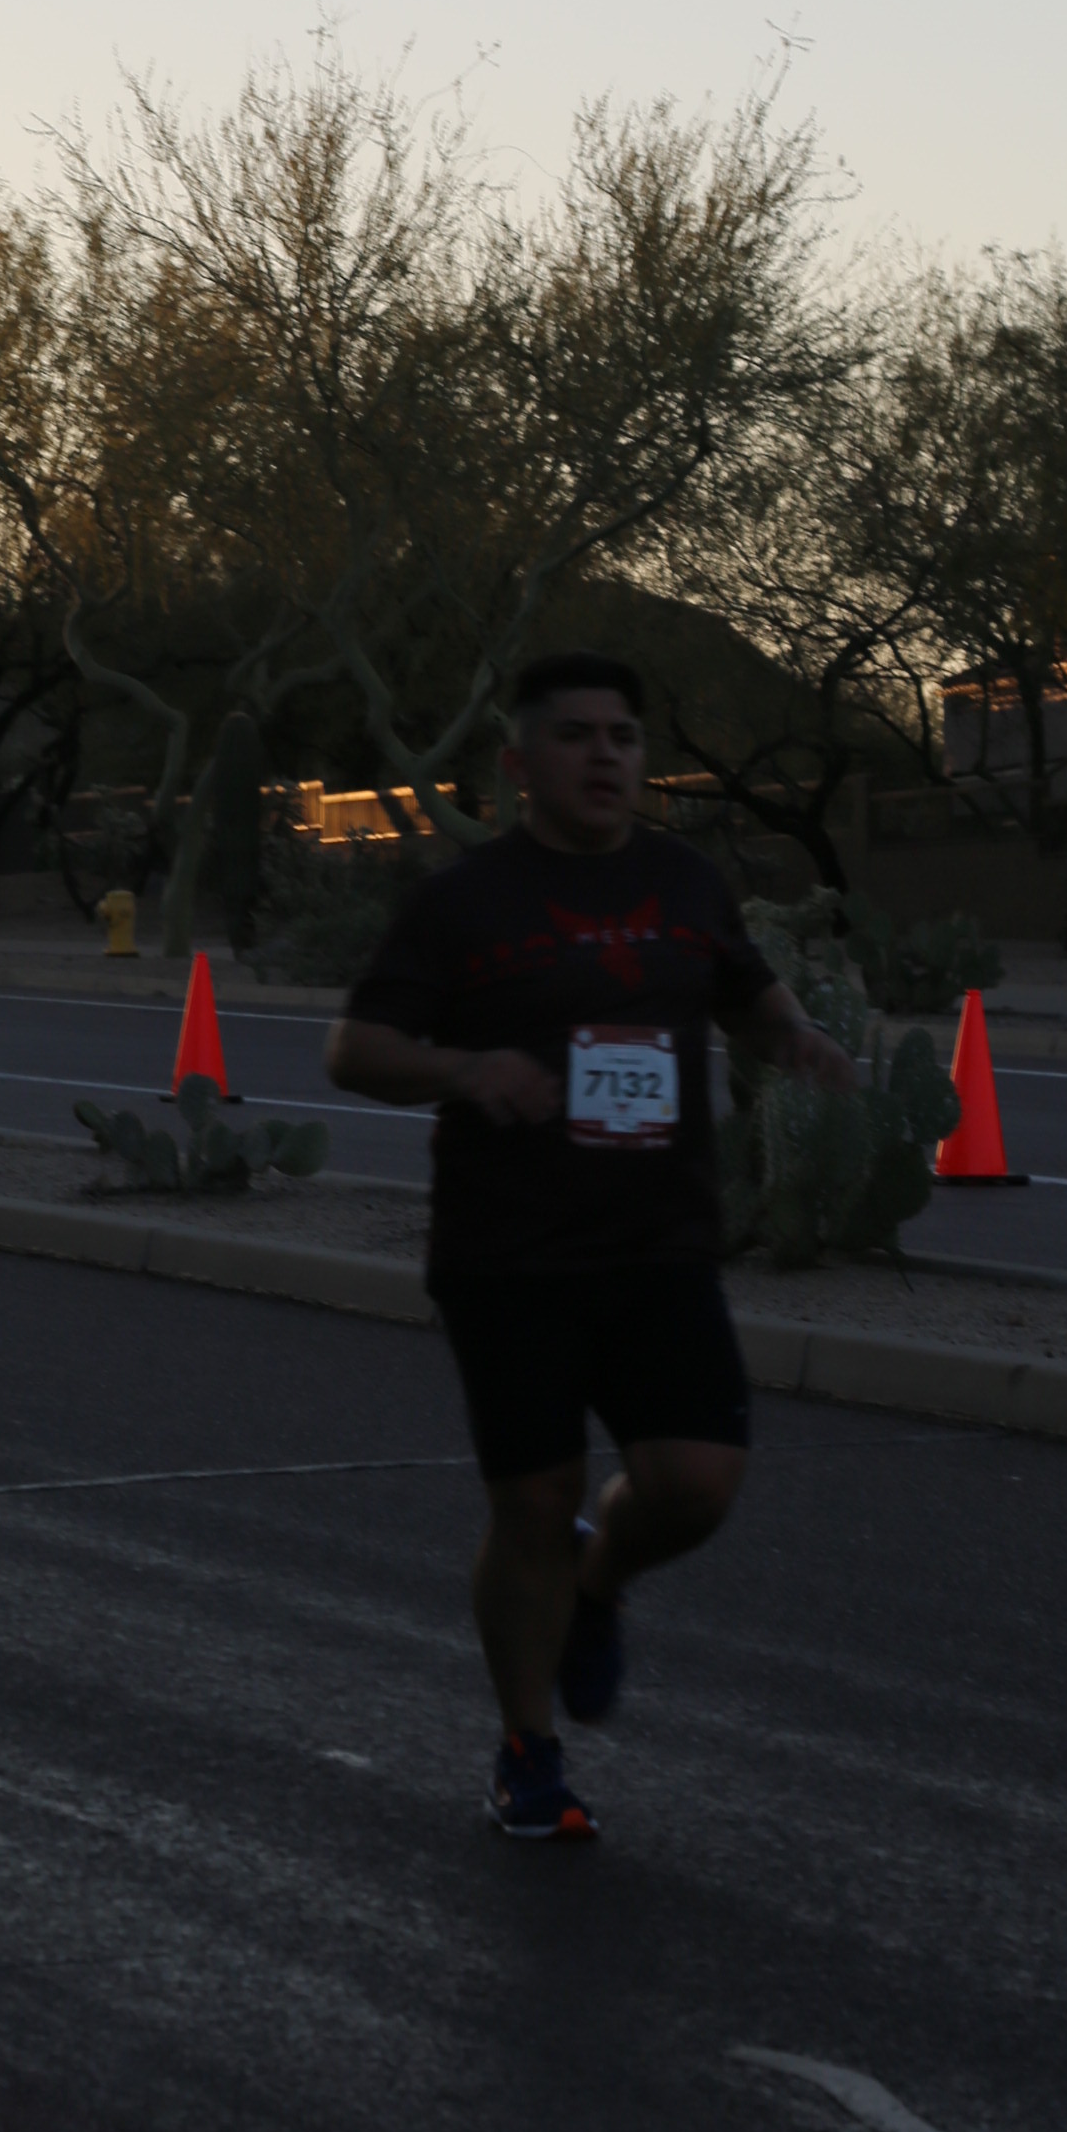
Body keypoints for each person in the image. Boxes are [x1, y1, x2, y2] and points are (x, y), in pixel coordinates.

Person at [328, 652, 857, 1839]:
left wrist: (793, 1035)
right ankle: (530, 1753)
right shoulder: (463, 903)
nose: (605, 755)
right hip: (508, 1254)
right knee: (532, 1499)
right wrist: (466, 1067)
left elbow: (742, 987)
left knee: (696, 1485)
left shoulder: (683, 881)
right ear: (519, 765)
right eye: (576, 736)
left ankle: (598, 1577)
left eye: (622, 735)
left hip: (658, 1240)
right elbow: (354, 1050)